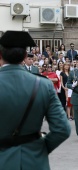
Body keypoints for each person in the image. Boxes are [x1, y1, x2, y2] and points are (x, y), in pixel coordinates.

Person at [0, 31, 71, 170]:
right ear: (25, 57)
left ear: (0, 55)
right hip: (34, 162)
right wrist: (40, 149)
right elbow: (63, 129)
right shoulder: (44, 85)